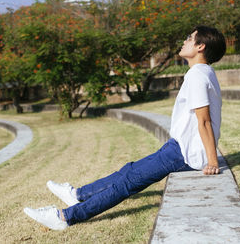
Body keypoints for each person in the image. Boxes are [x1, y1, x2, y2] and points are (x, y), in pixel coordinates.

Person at [24, 25, 226, 231]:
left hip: (185, 153)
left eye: (189, 38)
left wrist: (211, 161)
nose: (184, 41)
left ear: (200, 46)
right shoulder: (201, 73)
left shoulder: (198, 76)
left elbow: (204, 121)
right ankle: (77, 195)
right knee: (128, 170)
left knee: (128, 183)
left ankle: (64, 218)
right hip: (178, 147)